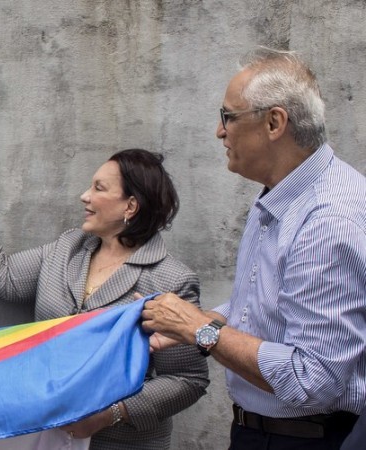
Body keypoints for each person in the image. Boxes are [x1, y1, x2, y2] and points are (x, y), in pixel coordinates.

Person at [141, 48, 366, 449]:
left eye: (228, 117)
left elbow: (311, 379)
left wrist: (201, 330)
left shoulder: (327, 220)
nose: (219, 131)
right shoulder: (285, 195)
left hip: (310, 437)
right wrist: (198, 319)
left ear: (274, 122)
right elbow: (270, 305)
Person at [0, 148, 209, 449]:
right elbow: (2, 277)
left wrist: (108, 415)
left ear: (131, 205)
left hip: (119, 442)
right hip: (46, 437)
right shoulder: (68, 248)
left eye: (99, 188)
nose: (84, 196)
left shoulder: (171, 280)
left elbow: (187, 379)